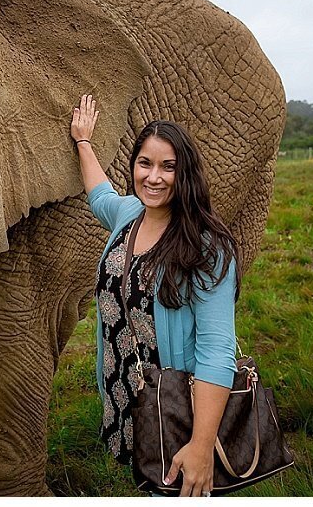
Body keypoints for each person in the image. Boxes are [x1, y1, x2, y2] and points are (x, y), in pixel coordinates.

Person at [70, 94, 240, 497]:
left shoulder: (206, 247)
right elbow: (99, 194)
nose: (154, 177)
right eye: (144, 163)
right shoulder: (129, 216)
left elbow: (218, 352)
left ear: (186, 174)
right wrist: (83, 142)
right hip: (132, 396)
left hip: (178, 409)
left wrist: (201, 446)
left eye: (168, 167)